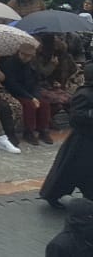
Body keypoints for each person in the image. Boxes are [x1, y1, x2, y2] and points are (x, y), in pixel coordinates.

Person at [40, 61, 93, 207]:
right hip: (82, 141)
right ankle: (53, 195)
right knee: (69, 171)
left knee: (87, 171)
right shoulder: (84, 94)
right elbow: (76, 117)